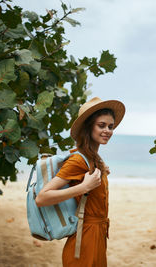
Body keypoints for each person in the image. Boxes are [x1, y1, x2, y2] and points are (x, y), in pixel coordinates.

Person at [35, 97, 125, 267]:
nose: (107, 130)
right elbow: (42, 198)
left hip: (99, 235)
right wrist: (83, 187)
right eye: (101, 125)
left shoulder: (94, 159)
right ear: (89, 126)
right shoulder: (78, 161)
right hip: (84, 239)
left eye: (110, 126)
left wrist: (101, 169)